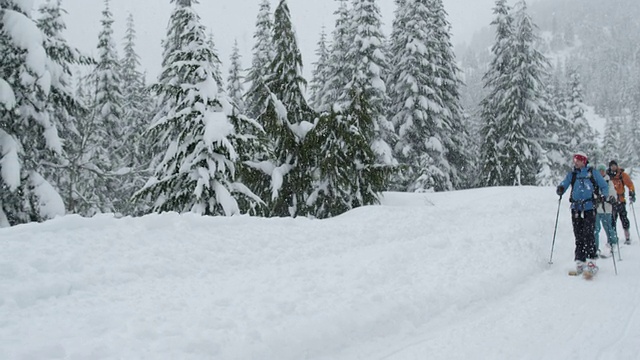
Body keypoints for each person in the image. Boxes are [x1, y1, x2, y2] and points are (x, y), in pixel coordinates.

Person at [556, 152, 608, 276]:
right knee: (578, 235)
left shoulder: (592, 173)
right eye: (575, 160)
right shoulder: (572, 174)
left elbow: (604, 186)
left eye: (578, 160)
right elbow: (564, 183)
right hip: (576, 208)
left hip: (589, 208)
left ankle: (591, 261)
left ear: (584, 161)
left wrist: (603, 197)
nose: (576, 162)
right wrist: (560, 189)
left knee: (589, 233)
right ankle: (580, 261)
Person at [607, 160, 635, 245]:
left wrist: (631, 192)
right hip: (611, 202)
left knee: (624, 219)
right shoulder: (608, 176)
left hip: (621, 200)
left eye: (614, 165)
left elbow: (630, 184)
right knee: (612, 220)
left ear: (617, 166)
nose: (613, 167)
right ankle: (614, 237)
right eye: (611, 166)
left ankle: (627, 236)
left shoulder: (622, 175)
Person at [594, 164, 619, 257]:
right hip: (596, 209)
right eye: (599, 170)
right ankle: (595, 247)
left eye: (602, 170)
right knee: (595, 229)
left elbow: (612, 193)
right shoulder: (594, 181)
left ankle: (612, 243)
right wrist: (596, 199)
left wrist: (610, 198)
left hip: (606, 209)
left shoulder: (609, 181)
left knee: (608, 227)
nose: (601, 172)